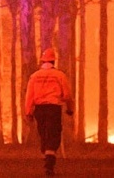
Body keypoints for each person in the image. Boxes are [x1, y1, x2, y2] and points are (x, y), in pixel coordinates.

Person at [24, 47, 73, 176]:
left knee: (43, 133)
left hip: (39, 109)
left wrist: (28, 112)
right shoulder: (60, 75)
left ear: (42, 61)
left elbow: (29, 96)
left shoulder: (34, 76)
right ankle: (49, 160)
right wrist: (70, 109)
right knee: (54, 133)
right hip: (54, 108)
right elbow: (67, 95)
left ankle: (46, 153)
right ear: (53, 61)